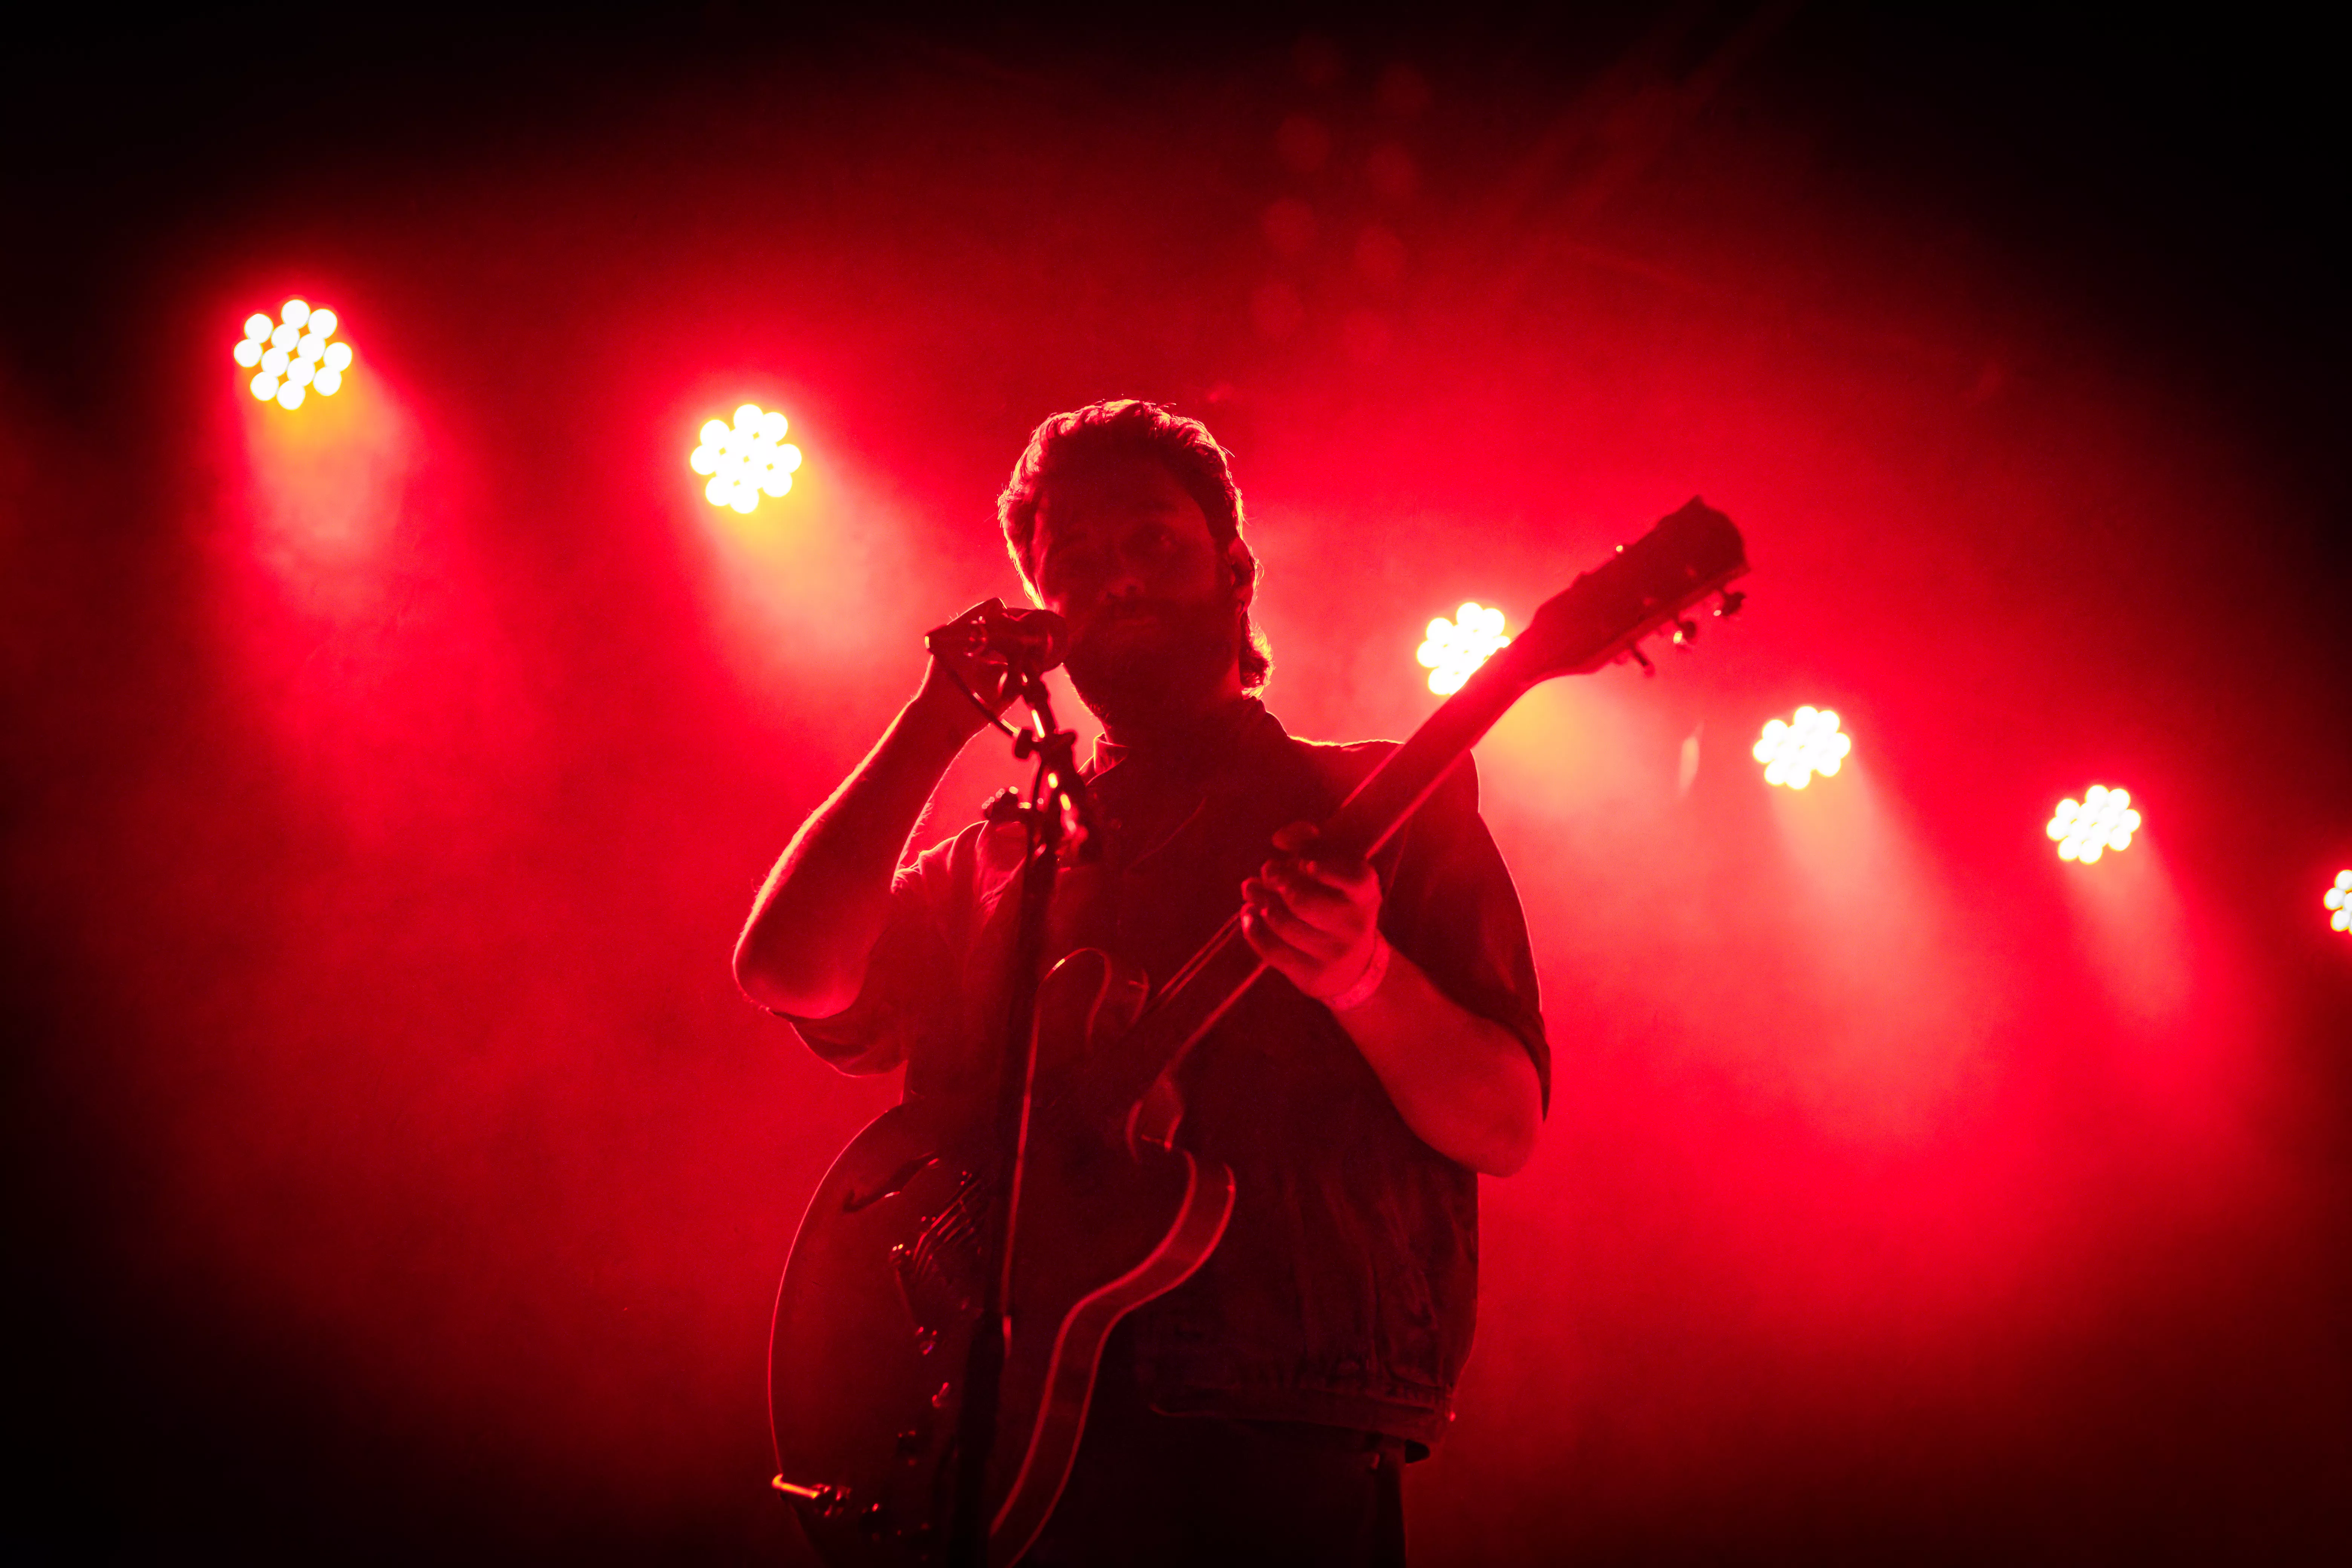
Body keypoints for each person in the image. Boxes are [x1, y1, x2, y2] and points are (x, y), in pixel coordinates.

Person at [735, 400, 1548, 1565]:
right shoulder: (1001, 856)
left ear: (1236, 568)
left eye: (1154, 542)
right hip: (990, 1439)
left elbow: (1506, 1122)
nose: (1117, 579)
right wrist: (931, 725)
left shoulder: (1381, 804)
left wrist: (1365, 974)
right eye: (1075, 562)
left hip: (1269, 1433)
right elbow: (789, 971)